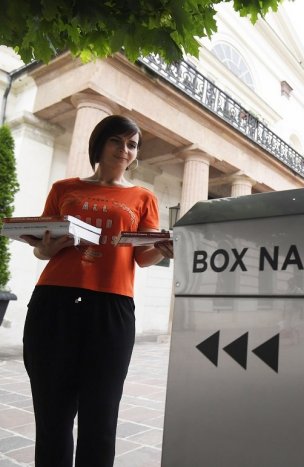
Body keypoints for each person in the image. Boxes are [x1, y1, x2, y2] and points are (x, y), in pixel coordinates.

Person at [19, 115, 174, 466]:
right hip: (53, 303)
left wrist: (165, 251)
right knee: (52, 416)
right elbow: (42, 250)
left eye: (132, 144)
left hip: (112, 308)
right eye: (116, 140)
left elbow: (142, 257)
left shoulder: (143, 197)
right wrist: (45, 247)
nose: (124, 149)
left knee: (101, 418)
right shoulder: (63, 189)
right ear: (99, 144)